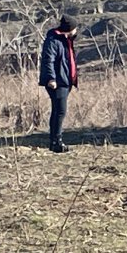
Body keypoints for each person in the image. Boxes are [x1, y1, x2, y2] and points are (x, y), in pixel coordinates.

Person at [39, 15, 79, 153]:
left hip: (65, 81)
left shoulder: (65, 40)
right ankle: (57, 141)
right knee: (59, 112)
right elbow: (48, 60)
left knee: (58, 111)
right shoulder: (53, 40)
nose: (76, 31)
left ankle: (54, 141)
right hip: (58, 82)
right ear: (70, 29)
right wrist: (51, 79)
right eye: (75, 28)